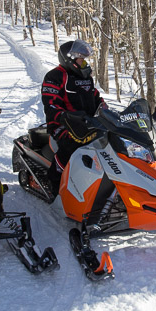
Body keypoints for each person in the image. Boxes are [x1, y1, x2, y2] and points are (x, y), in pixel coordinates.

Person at [42, 40, 106, 196]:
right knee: (72, 145)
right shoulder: (55, 76)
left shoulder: (85, 77)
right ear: (69, 58)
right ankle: (54, 181)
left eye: (85, 59)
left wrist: (103, 106)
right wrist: (65, 116)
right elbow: (50, 104)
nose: (84, 62)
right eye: (81, 59)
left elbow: (95, 96)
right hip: (62, 124)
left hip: (89, 123)